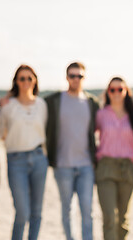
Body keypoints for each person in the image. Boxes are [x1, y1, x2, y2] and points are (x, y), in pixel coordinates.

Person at [45, 62, 99, 240]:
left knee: (87, 211)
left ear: (84, 78)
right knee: (67, 210)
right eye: (72, 76)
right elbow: (31, 103)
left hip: (86, 166)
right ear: (66, 77)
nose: (76, 79)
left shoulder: (92, 103)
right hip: (62, 166)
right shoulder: (54, 100)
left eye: (80, 76)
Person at [0, 64, 48, 240]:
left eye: (29, 78)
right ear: (16, 82)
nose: (26, 82)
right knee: (22, 212)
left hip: (39, 159)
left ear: (35, 81)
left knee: (37, 212)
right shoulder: (8, 106)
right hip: (16, 161)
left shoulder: (42, 104)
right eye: (22, 78)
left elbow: (45, 131)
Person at [95, 77, 133, 240]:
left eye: (120, 89)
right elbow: (86, 136)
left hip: (127, 168)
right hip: (106, 167)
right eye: (112, 90)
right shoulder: (101, 114)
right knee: (109, 217)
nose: (116, 93)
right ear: (108, 92)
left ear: (126, 91)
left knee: (123, 219)